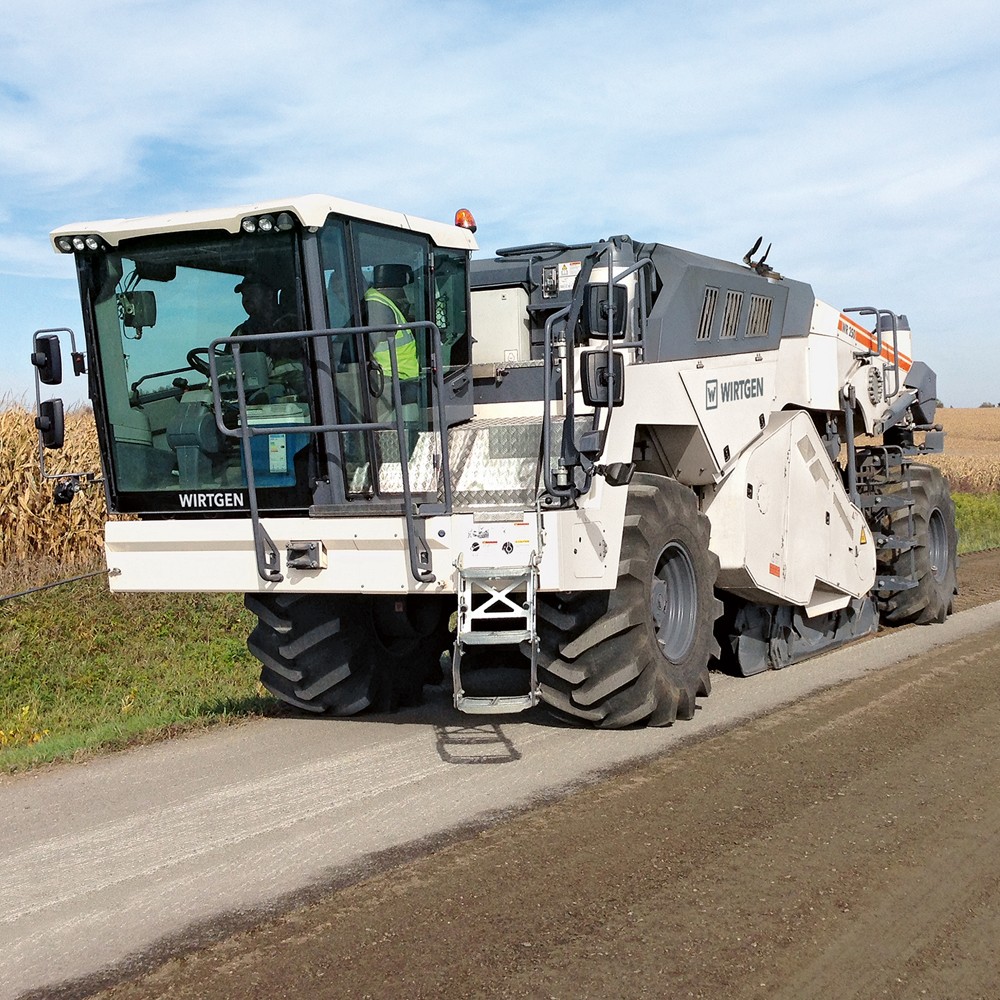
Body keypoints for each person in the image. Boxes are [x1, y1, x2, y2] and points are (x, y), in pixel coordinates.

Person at [363, 264, 420, 404]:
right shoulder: (379, 301)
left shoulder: (375, 304)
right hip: (401, 377)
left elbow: (369, 346)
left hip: (393, 381)